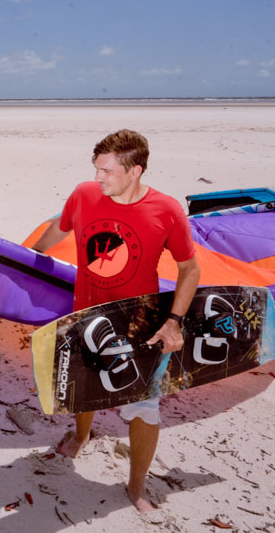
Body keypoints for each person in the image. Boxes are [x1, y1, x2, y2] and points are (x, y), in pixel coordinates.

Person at [30, 129, 200, 514]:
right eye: (96, 169)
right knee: (85, 384)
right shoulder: (85, 195)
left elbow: (190, 270)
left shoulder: (167, 210)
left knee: (144, 408)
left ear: (134, 171)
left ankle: (137, 485)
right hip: (86, 315)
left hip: (139, 323)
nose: (98, 178)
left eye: (106, 171)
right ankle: (81, 434)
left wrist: (174, 321)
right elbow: (61, 226)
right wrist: (25, 257)